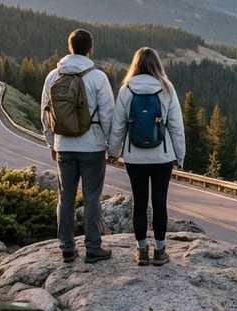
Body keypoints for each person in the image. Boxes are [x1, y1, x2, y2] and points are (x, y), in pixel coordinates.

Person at [41, 29, 116, 264]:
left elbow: (45, 113)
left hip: (63, 145)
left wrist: (51, 142)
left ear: (69, 47)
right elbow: (108, 115)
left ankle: (67, 248)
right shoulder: (97, 77)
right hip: (92, 146)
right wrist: (112, 148)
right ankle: (93, 247)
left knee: (65, 197)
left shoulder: (53, 76)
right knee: (92, 197)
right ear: (90, 49)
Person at [108, 47, 186, 266]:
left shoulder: (126, 90)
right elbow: (177, 127)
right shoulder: (166, 88)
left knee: (139, 203)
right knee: (160, 202)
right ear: (157, 64)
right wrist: (180, 156)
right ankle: (160, 251)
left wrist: (114, 152)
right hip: (162, 157)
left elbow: (118, 127)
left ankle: (141, 251)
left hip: (135, 158)